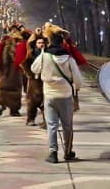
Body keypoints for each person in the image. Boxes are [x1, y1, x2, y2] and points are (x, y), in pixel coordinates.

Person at [31, 23, 83, 163]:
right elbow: (78, 81)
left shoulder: (44, 56)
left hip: (49, 96)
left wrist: (42, 53)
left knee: (52, 126)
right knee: (67, 126)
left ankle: (53, 153)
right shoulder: (69, 59)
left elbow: (34, 69)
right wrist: (75, 88)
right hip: (66, 96)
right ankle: (67, 152)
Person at [0, 24, 25, 117]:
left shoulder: (4, 42)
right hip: (14, 71)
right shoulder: (19, 43)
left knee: (4, 89)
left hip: (4, 70)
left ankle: (2, 104)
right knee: (15, 91)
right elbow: (21, 56)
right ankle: (14, 110)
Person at [22, 29, 46, 127]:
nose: (41, 44)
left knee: (45, 101)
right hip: (34, 80)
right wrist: (29, 74)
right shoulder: (30, 54)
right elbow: (24, 64)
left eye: (42, 42)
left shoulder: (47, 53)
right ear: (35, 44)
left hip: (45, 79)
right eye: (39, 42)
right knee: (33, 101)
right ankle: (30, 119)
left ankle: (46, 121)